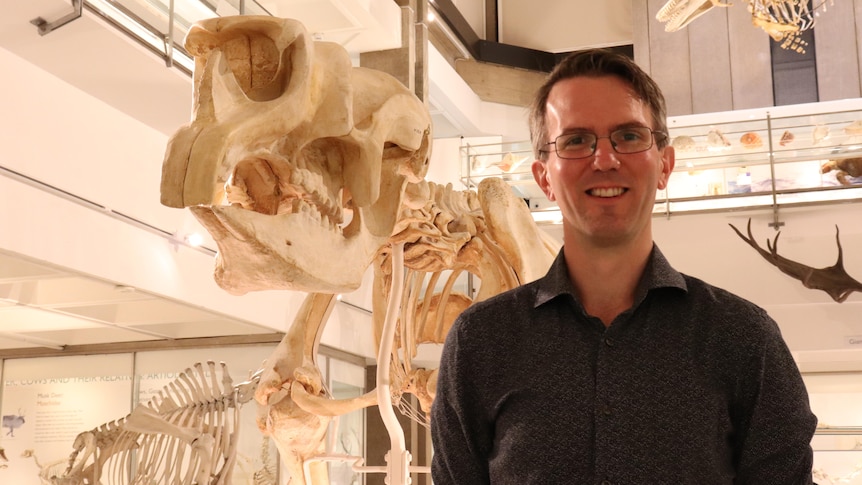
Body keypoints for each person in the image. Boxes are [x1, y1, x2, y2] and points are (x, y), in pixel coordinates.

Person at [429, 48, 817, 484]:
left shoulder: (744, 339)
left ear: (664, 165)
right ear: (544, 178)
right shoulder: (481, 341)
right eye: (576, 140)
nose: (605, 159)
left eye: (629, 136)